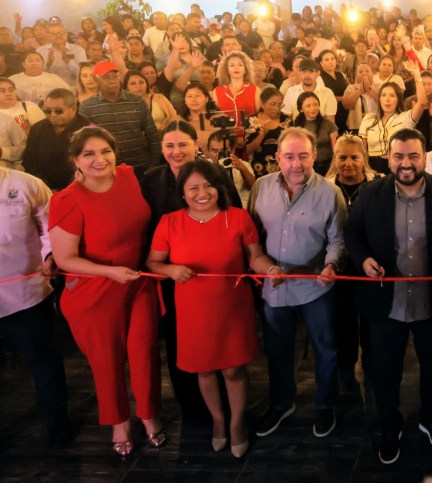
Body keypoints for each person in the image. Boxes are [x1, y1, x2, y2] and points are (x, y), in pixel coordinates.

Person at [344, 128, 432, 464]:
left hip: (431, 300)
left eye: (413, 156)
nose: (406, 163)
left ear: (425, 156)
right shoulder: (370, 194)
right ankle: (389, 424)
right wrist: (364, 259)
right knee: (384, 370)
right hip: (386, 302)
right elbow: (352, 234)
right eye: (398, 156)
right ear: (388, 158)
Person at [146, 159, 279, 458]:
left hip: (231, 306)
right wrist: (171, 270)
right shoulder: (169, 222)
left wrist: (270, 270)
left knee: (233, 368)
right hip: (193, 309)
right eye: (193, 188)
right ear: (182, 193)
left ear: (219, 188)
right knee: (204, 370)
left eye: (208, 185)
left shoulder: (238, 217)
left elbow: (254, 257)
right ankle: (218, 421)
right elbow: (152, 263)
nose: (202, 193)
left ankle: (236, 423)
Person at [48, 127, 165, 456]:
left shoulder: (128, 177)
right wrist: (109, 272)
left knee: (144, 353)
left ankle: (149, 414)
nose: (100, 160)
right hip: (95, 289)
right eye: (89, 154)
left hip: (137, 279)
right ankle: (119, 422)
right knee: (107, 361)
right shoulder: (67, 200)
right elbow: (65, 258)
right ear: (76, 160)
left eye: (105, 151)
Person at [249, 127, 346, 440]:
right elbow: (252, 237)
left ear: (314, 156)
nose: (296, 164)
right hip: (274, 287)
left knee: (326, 348)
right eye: (289, 156)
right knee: (277, 349)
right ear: (277, 158)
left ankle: (325, 403)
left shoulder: (330, 192)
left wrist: (331, 265)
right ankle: (282, 402)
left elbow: (338, 239)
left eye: (303, 156)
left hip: (317, 286)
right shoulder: (261, 188)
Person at [0, 165, 70, 447]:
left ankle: (57, 426)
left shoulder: (26, 184)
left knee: (43, 363)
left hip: (26, 294)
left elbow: (48, 230)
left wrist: (50, 255)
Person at [325, 134, 377, 392]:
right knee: (343, 322)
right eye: (342, 157)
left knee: (369, 320)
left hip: (368, 266)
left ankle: (370, 364)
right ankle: (346, 368)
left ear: (363, 159)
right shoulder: (324, 188)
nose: (348, 163)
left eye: (354, 157)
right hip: (339, 270)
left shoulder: (377, 186)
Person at [78, 61, 161, 174]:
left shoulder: (137, 101)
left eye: (115, 76)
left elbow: (152, 134)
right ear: (96, 79)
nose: (111, 80)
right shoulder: (87, 107)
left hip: (141, 167)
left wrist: (155, 164)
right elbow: (83, 143)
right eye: (106, 77)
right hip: (107, 170)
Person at [23, 88, 88, 189]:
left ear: (74, 109)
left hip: (78, 187)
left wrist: (69, 190)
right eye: (48, 111)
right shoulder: (37, 129)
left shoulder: (87, 129)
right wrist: (44, 187)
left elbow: (89, 164)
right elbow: (29, 161)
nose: (53, 115)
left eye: (58, 111)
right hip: (43, 188)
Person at [359, 77, 427, 174]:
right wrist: (367, 170)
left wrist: (417, 76)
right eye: (383, 95)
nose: (387, 99)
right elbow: (362, 149)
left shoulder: (405, 118)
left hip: (397, 167)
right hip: (372, 168)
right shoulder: (368, 119)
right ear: (379, 99)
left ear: (398, 99)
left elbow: (422, 103)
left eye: (392, 95)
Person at [244, 87, 290, 179]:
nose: (276, 108)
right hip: (258, 170)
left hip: (282, 171)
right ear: (262, 104)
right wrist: (262, 134)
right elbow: (248, 151)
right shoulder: (251, 121)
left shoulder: (286, 120)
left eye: (280, 104)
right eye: (272, 104)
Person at [295, 91, 339, 176]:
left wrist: (330, 173)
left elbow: (336, 152)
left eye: (315, 104)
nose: (313, 108)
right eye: (308, 106)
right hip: (305, 169)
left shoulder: (329, 125)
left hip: (328, 167)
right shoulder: (296, 127)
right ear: (301, 109)